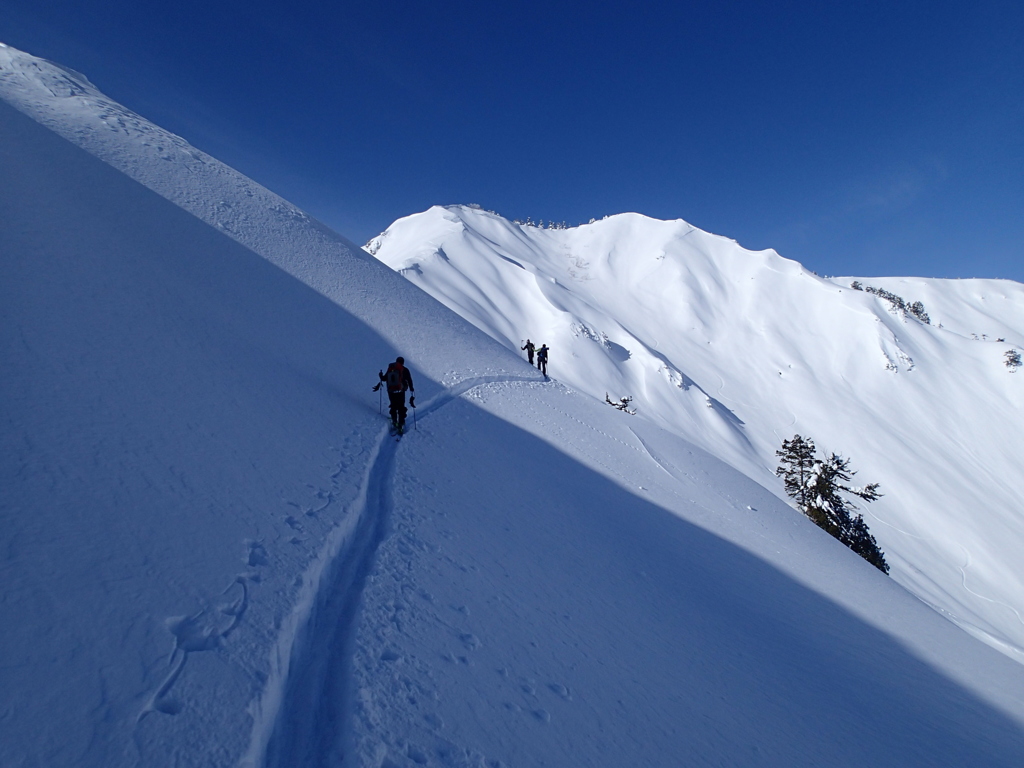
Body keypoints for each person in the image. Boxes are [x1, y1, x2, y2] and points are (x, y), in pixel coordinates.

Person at [377, 356, 415, 431]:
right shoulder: (405, 370)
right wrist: (411, 389)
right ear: (403, 362)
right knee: (401, 406)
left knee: (393, 405)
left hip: (391, 391)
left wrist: (380, 375)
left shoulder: (391, 369)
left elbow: (384, 379)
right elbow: (409, 380)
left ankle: (394, 421)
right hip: (400, 391)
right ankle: (400, 423)